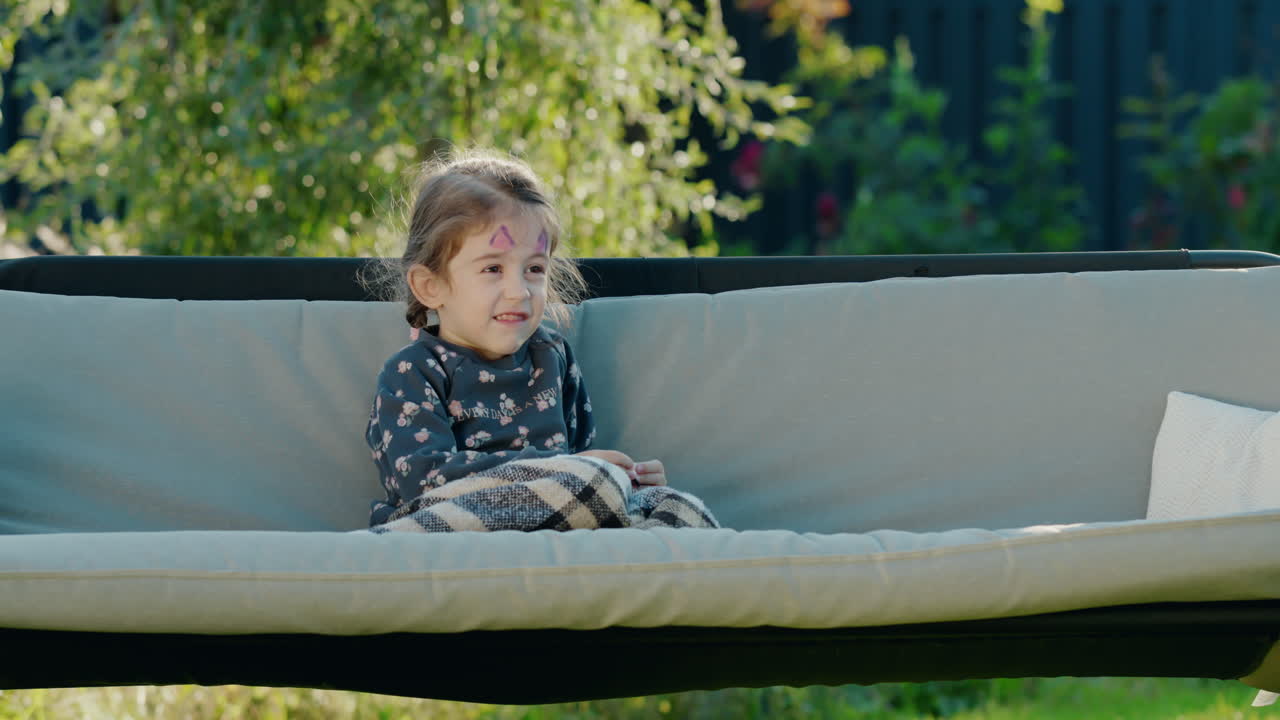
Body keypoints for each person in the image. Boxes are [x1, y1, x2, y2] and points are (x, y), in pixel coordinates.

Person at [365, 150, 666, 527]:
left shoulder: (551, 356)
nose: (519, 291)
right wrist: (566, 470)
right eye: (493, 268)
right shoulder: (413, 372)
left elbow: (581, 467)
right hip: (441, 530)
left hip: (549, 531)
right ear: (431, 286)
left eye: (534, 269)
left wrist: (626, 478)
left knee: (666, 503)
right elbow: (426, 482)